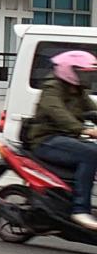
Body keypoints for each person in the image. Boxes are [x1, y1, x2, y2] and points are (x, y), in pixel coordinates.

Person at [27, 50, 97, 231]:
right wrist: (84, 129)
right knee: (90, 154)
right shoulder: (52, 88)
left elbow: (93, 110)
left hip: (67, 139)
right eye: (83, 72)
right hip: (46, 140)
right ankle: (80, 210)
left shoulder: (78, 90)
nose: (87, 77)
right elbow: (59, 113)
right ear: (69, 70)